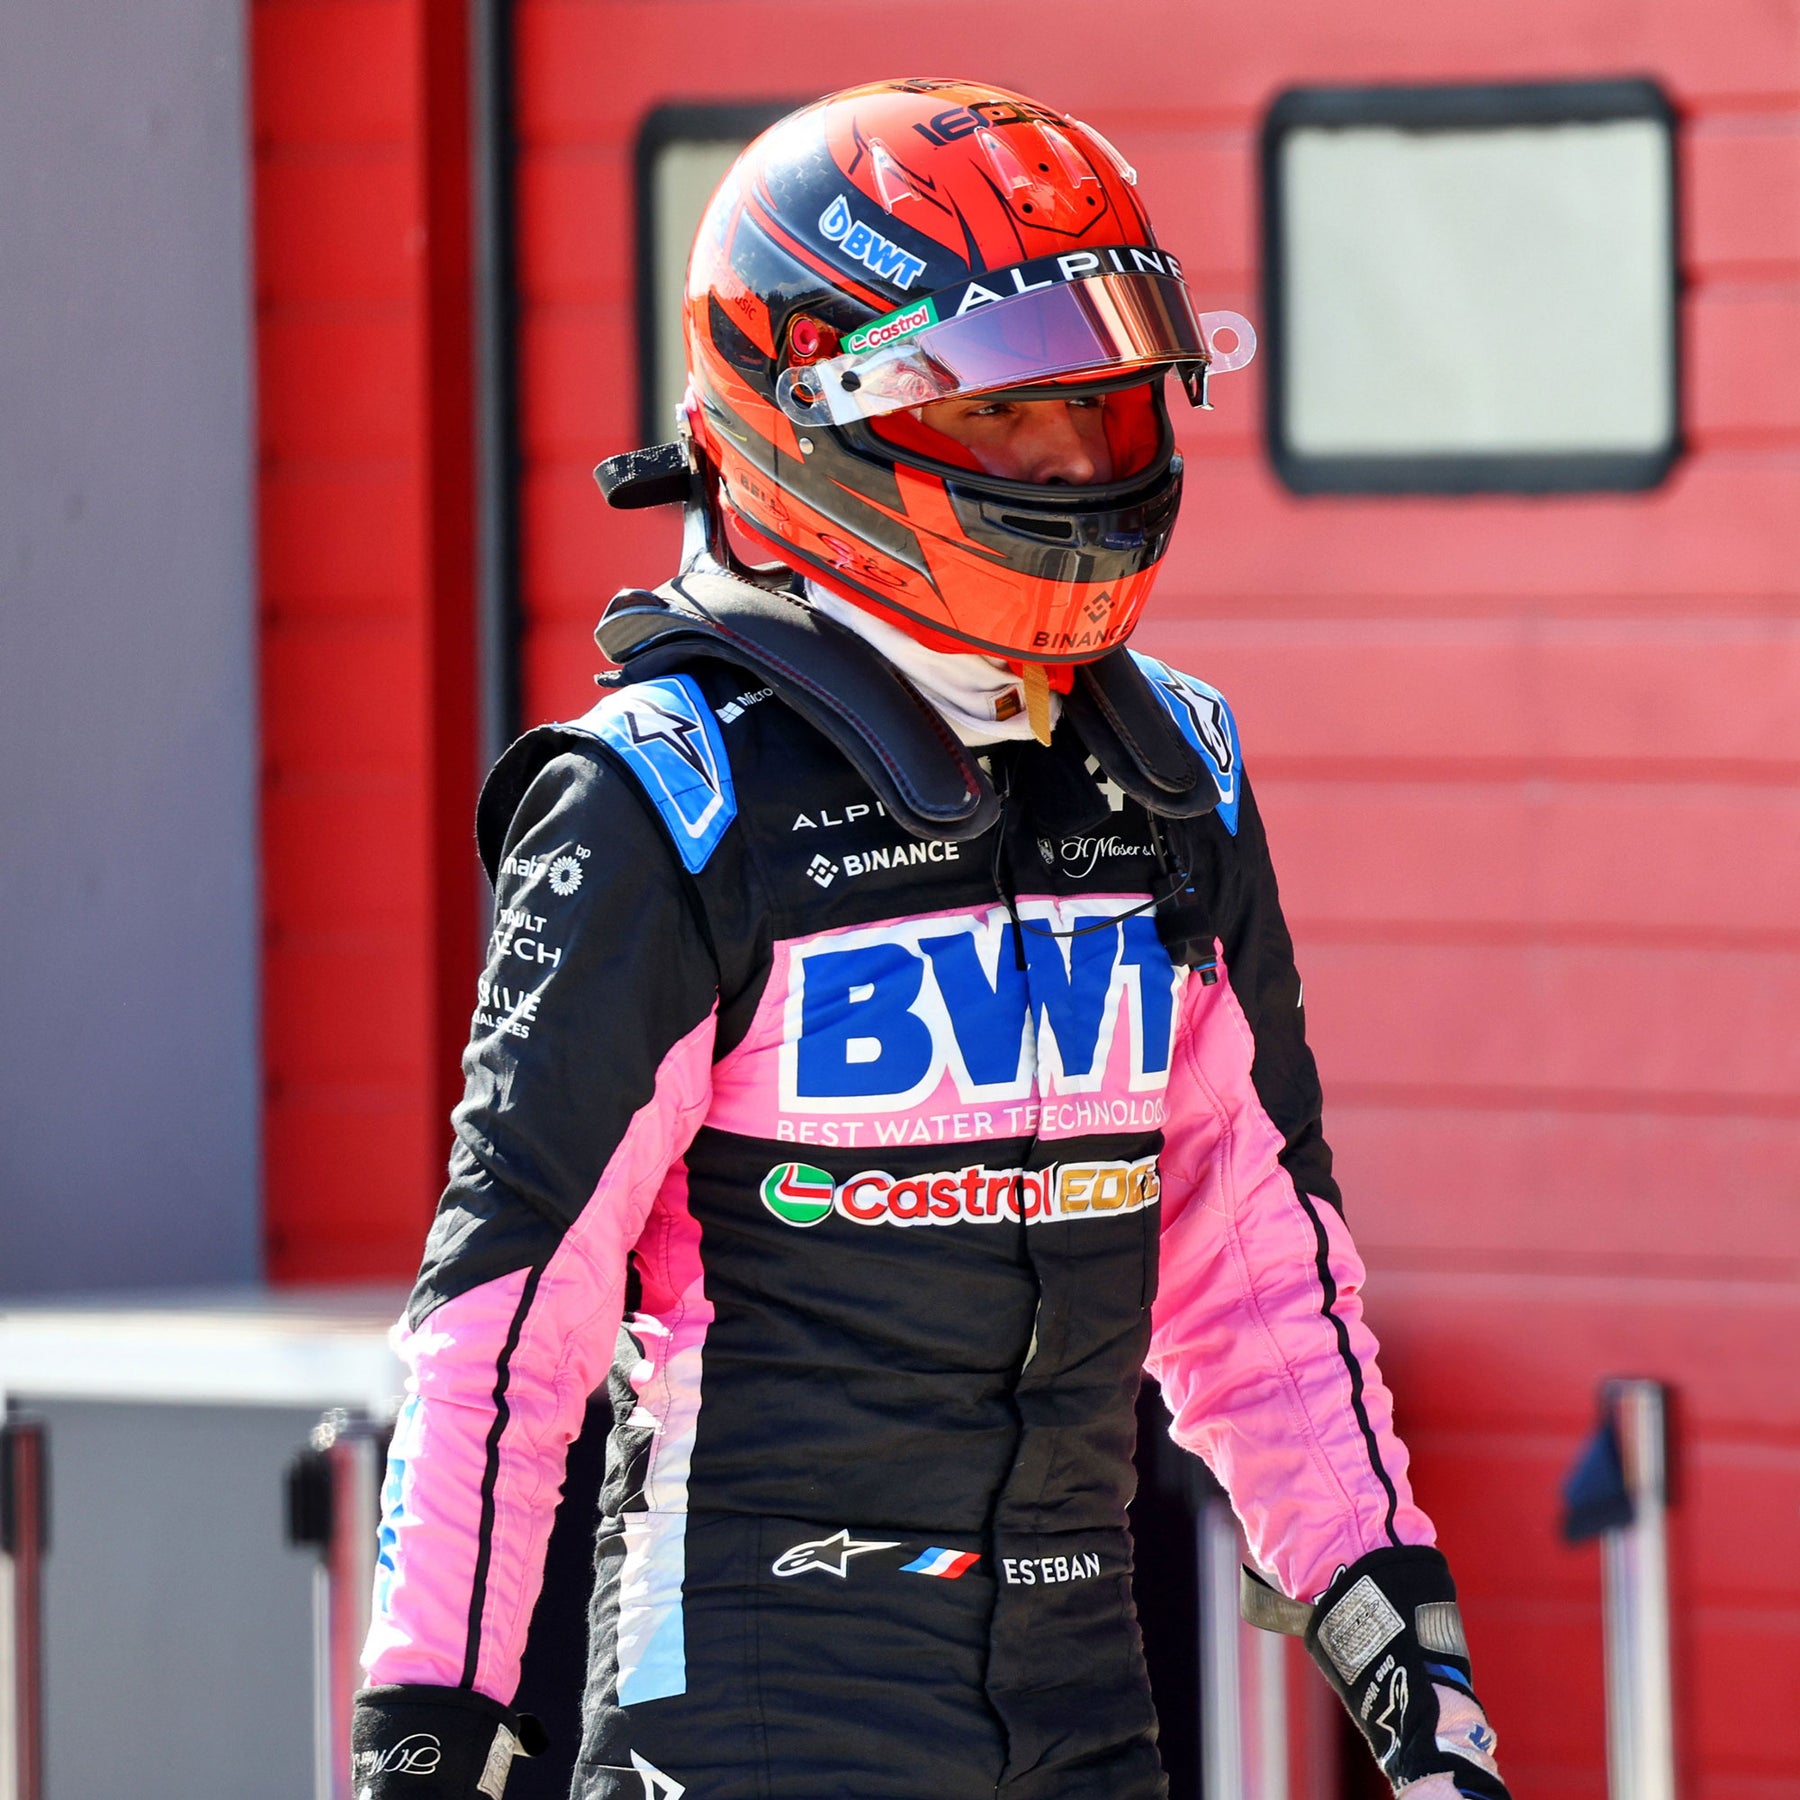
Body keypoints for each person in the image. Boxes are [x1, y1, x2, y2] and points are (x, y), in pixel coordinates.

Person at [350, 79, 1510, 1800]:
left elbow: (1257, 1271)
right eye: (1012, 412)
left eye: (1104, 402)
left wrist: (1406, 1655)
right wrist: (425, 1733)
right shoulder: (659, 796)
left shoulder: (1173, 770)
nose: (1078, 464)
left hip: (1085, 1711)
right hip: (750, 1721)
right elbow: (507, 1327)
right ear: (819, 409)